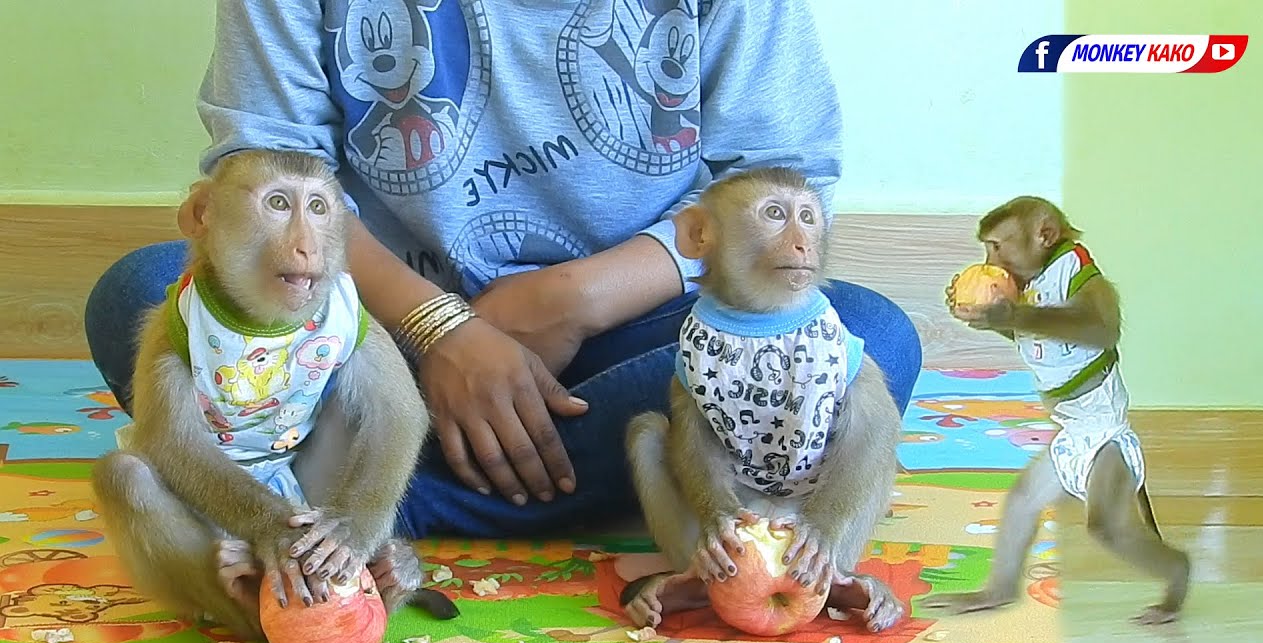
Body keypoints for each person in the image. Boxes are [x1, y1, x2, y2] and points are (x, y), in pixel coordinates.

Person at [85, 1, 922, 539]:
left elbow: (776, 178)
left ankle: (353, 502)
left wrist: (575, 300)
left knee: (867, 339)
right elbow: (265, 174)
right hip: (362, 331)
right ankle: (621, 487)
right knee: (144, 292)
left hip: (635, 328)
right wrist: (437, 326)